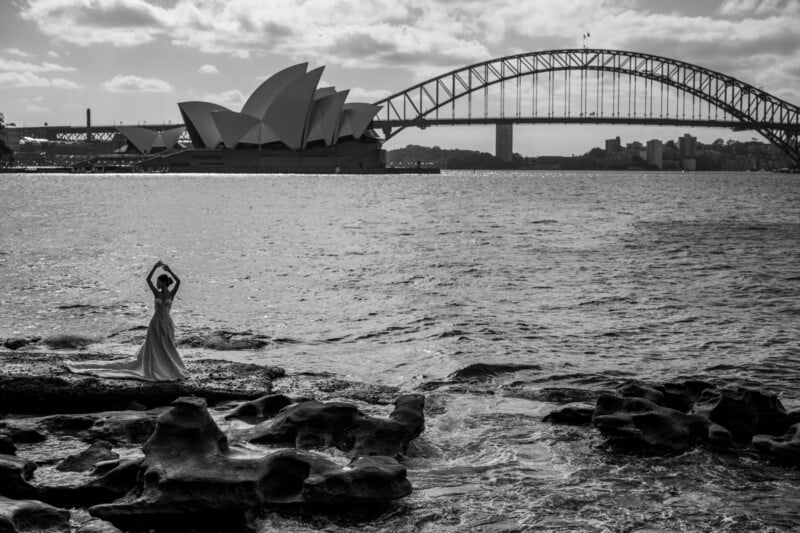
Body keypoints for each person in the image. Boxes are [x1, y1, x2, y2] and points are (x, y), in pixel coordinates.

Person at [66, 261, 188, 381]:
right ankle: (158, 367)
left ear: (163, 283)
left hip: (167, 323)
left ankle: (169, 367)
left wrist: (169, 270)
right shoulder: (156, 293)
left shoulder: (171, 294)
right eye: (157, 282)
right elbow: (148, 280)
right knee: (156, 345)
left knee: (167, 345)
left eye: (158, 282)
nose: (157, 284)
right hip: (155, 323)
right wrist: (154, 268)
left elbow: (178, 282)